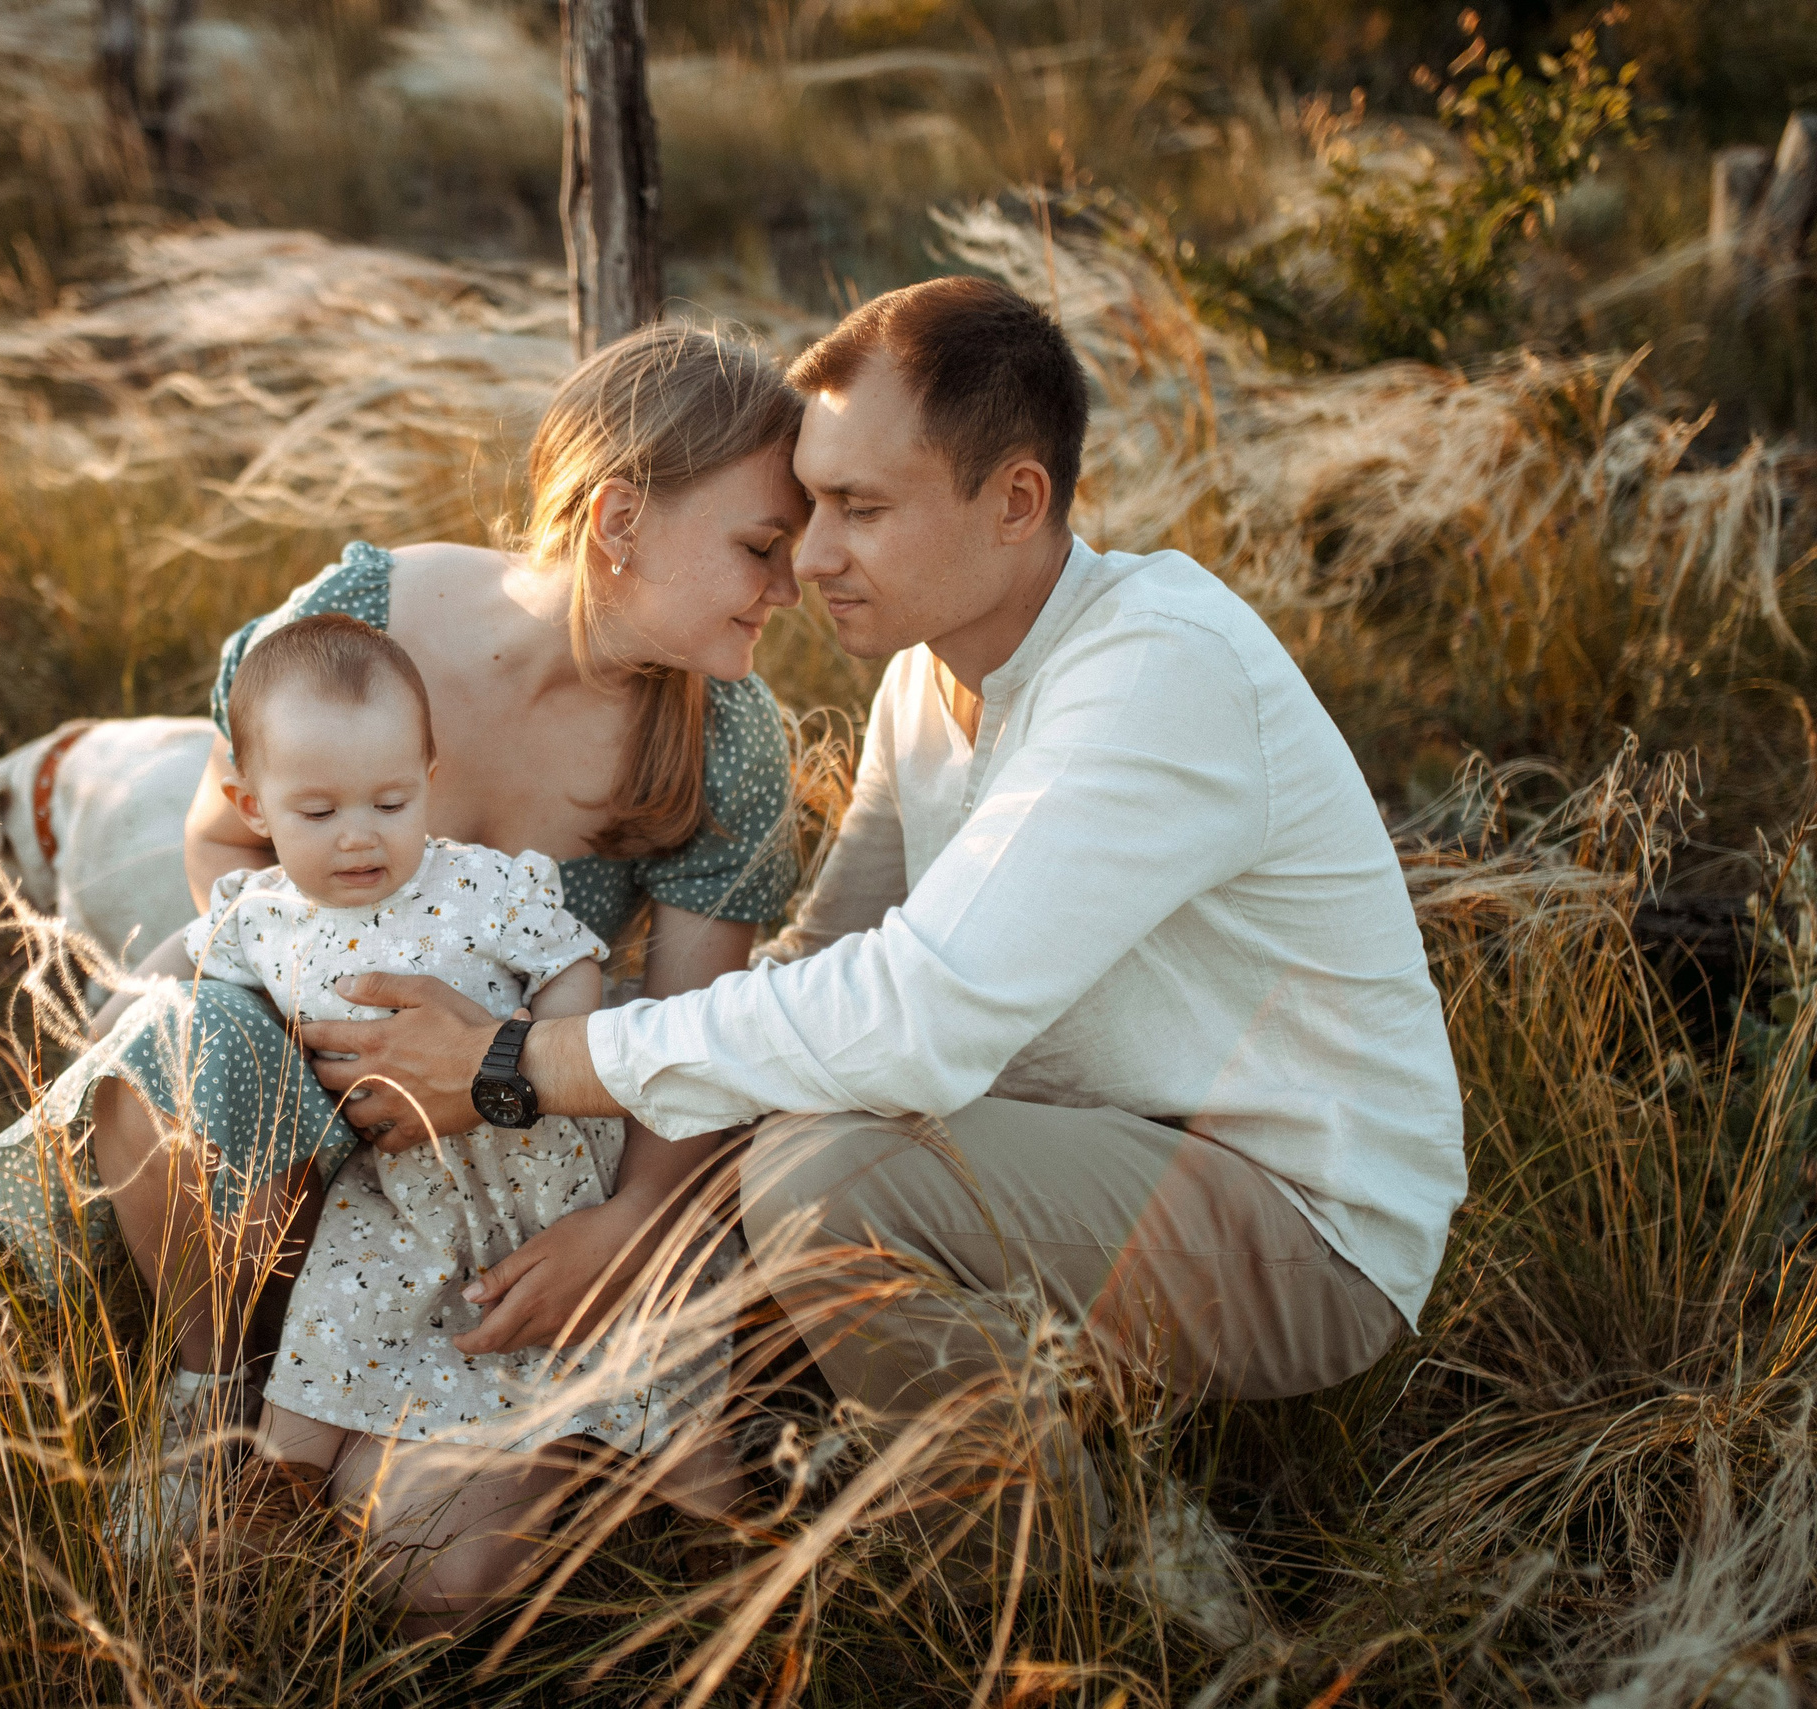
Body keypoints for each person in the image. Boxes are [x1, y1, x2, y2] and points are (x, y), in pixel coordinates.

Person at [296, 276, 1470, 1580]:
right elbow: (818, 970)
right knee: (746, 1167)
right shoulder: (931, 677)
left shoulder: (1154, 671)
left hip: (1297, 1217)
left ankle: (1078, 1581)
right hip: (1073, 1155)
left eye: (861, 509)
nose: (809, 557)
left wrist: (515, 1065)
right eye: (808, 506)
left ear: (1017, 503)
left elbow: (914, 1019)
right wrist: (621, 1191)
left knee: (821, 1178)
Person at [0, 322, 809, 1547]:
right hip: (309, 1114)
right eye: (759, 547)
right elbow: (221, 843)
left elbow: (690, 1042)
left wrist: (626, 1227)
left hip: (498, 1163)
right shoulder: (367, 615)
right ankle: (212, 1392)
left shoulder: (722, 737)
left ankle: (393, 1448)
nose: (787, 586)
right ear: (619, 521)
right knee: (167, 1039)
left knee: (424, 1561)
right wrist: (308, 1035)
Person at [177, 612, 737, 1629]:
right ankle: (274, 1491)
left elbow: (573, 956)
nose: (359, 833)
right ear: (251, 806)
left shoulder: (475, 882)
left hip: (537, 1168)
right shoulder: (253, 918)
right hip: (398, 1190)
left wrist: (548, 1046)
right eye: (318, 809)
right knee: (334, 1313)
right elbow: (204, 1012)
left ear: (428, 775)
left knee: (636, 1347)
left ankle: (720, 1527)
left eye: (391, 799)